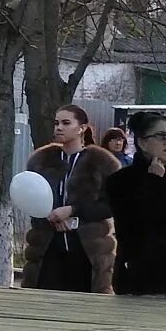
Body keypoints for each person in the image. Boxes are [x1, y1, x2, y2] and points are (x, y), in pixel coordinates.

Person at [102, 112, 166, 296]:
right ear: (142, 143)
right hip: (136, 284)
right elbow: (135, 227)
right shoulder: (120, 181)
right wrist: (153, 182)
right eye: (161, 136)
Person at [20, 104, 117, 293]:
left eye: (66, 123)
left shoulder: (101, 162)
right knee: (44, 303)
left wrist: (73, 211)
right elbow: (30, 196)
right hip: (48, 247)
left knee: (85, 308)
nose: (59, 128)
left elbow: (111, 205)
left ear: (81, 128)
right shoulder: (41, 160)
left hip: (88, 250)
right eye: (56, 123)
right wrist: (51, 215)